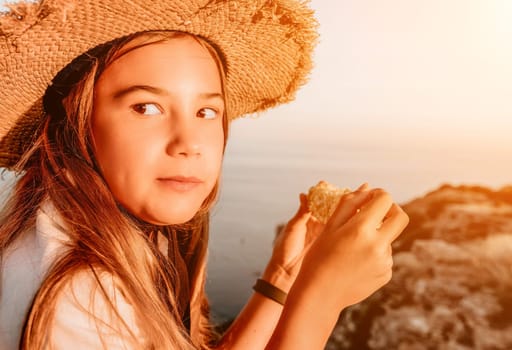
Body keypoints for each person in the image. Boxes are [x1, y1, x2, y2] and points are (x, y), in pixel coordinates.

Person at [0, 0, 409, 349]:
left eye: (206, 112)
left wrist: (284, 277)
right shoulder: (78, 302)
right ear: (76, 125)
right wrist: (321, 299)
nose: (189, 142)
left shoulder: (114, 236)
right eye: (146, 107)